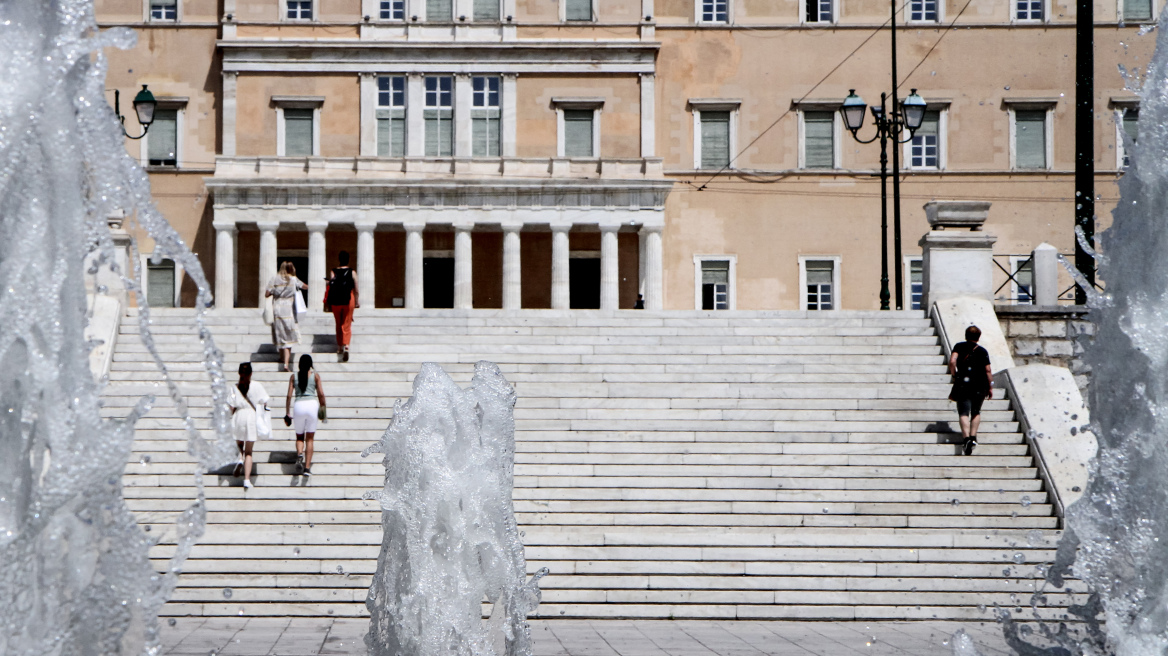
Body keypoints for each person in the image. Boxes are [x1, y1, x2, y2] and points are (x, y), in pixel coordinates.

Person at [949, 325, 993, 456]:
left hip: (963, 383)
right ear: (978, 337)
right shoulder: (982, 351)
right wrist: (990, 386)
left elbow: (952, 361)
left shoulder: (959, 346)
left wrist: (954, 375)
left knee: (963, 413)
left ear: (966, 335)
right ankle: (973, 437)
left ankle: (966, 439)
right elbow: (988, 370)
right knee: (975, 412)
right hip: (980, 384)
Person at [228, 362, 270, 489]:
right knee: (249, 451)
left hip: (239, 415)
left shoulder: (234, 387)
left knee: (239, 444)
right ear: (251, 373)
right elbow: (265, 402)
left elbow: (231, 406)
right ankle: (246, 480)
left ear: (239, 373)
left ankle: (239, 458)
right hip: (252, 416)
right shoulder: (257, 385)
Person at [286, 354, 326, 477]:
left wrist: (287, 412)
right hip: (312, 405)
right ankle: (307, 468)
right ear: (310, 364)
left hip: (299, 405)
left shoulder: (293, 376)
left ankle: (299, 454)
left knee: (299, 436)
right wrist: (323, 408)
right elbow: (321, 394)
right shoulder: (315, 376)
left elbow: (288, 396)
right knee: (310, 438)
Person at [266, 261, 308, 372]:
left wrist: (275, 291)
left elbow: (267, 294)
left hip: (277, 309)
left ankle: (281, 357)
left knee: (280, 334)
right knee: (288, 338)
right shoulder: (293, 279)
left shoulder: (274, 278)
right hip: (289, 310)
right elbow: (305, 287)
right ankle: (286, 364)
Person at [326, 251, 360, 362]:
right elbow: (356, 289)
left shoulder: (333, 271)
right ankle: (346, 345)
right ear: (348, 260)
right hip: (348, 299)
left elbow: (331, 285)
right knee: (347, 323)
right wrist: (357, 301)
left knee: (338, 322)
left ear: (339, 259)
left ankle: (339, 346)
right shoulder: (352, 272)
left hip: (336, 300)